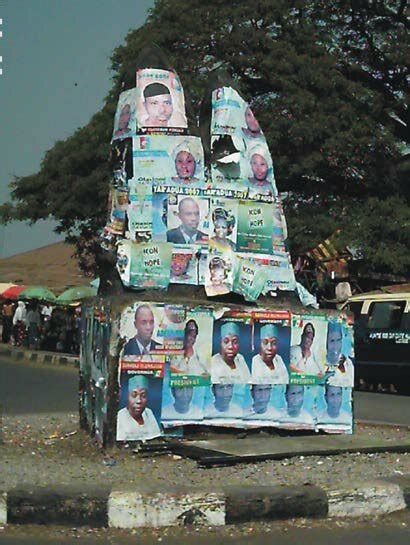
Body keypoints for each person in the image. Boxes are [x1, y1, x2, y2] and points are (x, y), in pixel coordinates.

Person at [116, 375, 161, 441]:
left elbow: (156, 436)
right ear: (127, 396)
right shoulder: (120, 417)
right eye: (134, 395)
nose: (139, 401)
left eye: (143, 395)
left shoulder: (148, 413)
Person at [325, 322, 354, 388]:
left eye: (338, 340)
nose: (335, 346)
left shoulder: (348, 363)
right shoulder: (318, 361)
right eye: (332, 341)